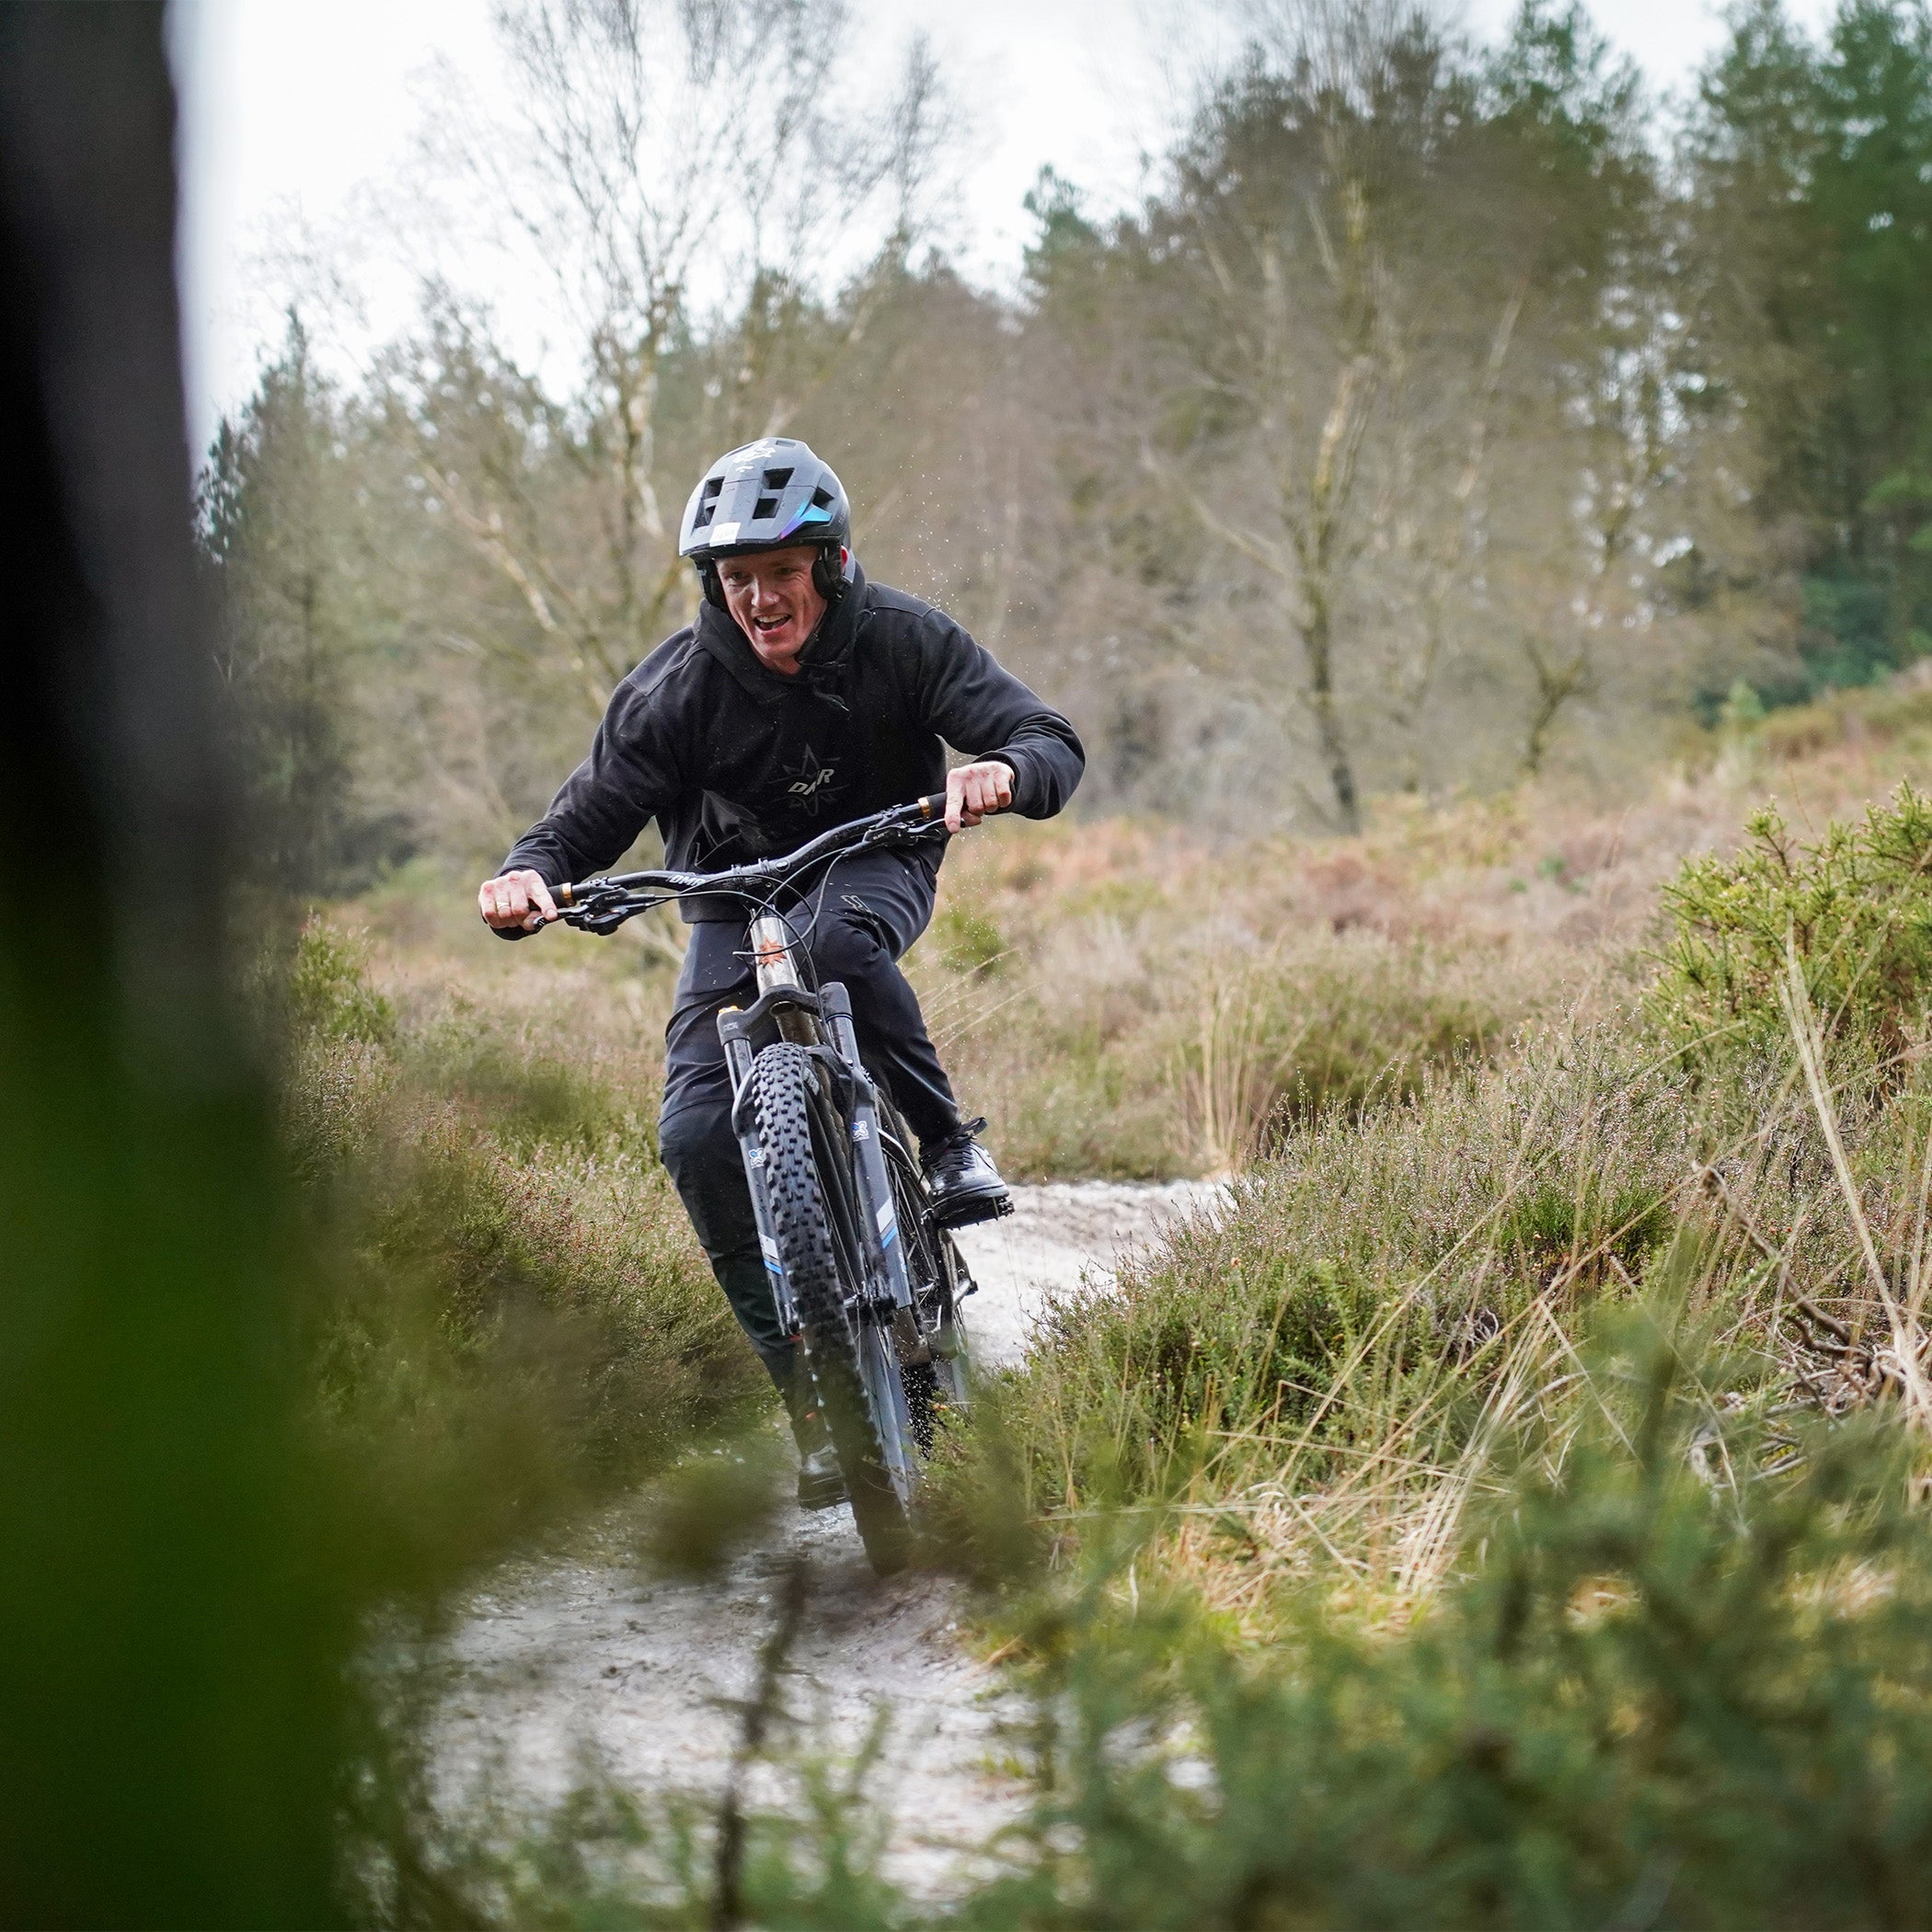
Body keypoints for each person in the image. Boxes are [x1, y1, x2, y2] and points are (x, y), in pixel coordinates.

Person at [477, 437, 1084, 1502]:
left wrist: (1005, 768)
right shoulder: (673, 688)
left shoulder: (904, 639)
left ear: (833, 565)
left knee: (836, 945)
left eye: (781, 575)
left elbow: (1047, 736)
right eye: (737, 580)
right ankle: (813, 1399)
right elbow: (582, 821)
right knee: (697, 1135)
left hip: (877, 858)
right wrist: (529, 876)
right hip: (727, 894)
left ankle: (945, 1151)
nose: (759, 601)